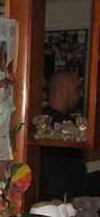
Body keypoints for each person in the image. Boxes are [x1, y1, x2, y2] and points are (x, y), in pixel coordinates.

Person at [38, 70, 88, 201]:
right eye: (77, 89)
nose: (81, 94)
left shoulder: (69, 123)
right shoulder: (43, 124)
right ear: (62, 90)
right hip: (57, 201)